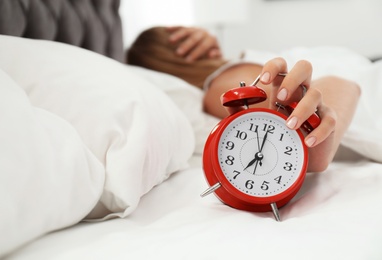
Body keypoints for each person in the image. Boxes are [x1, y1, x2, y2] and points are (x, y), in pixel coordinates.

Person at [126, 26, 361, 173]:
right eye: (182, 37)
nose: (199, 37)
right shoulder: (223, 84)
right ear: (177, 55)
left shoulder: (232, 67)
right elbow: (332, 91)